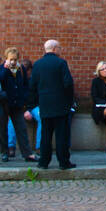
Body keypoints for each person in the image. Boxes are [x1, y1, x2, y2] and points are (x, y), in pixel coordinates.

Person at [28, 39, 76, 170]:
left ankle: (44, 161)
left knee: (45, 135)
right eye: (59, 48)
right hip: (60, 105)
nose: (60, 50)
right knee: (62, 136)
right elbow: (68, 83)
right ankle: (63, 162)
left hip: (44, 104)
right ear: (54, 49)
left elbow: (32, 85)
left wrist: (34, 103)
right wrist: (69, 101)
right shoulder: (61, 63)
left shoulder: (37, 64)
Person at [0, 48, 37, 162]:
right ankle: (4, 152)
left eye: (15, 59)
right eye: (11, 59)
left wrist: (23, 98)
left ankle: (27, 153)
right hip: (4, 104)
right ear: (7, 58)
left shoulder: (21, 70)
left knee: (21, 128)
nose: (13, 62)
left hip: (17, 104)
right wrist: (6, 70)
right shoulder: (2, 69)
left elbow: (25, 84)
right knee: (2, 129)